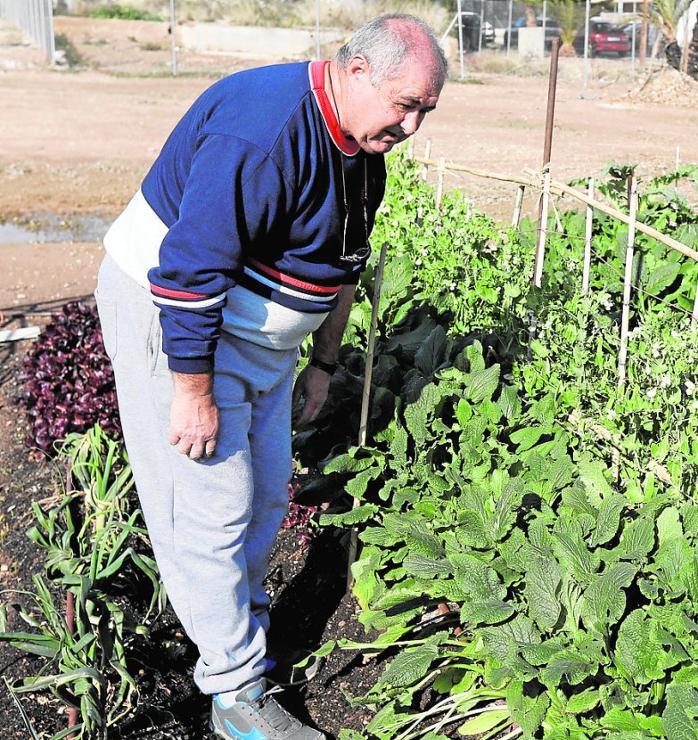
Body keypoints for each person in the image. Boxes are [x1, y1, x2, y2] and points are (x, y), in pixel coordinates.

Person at [93, 14, 446, 739]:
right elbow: (188, 275)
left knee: (263, 495)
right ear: (354, 72)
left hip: (261, 346)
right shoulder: (263, 133)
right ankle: (234, 695)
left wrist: (320, 362)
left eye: (426, 111)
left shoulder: (362, 148)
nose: (412, 126)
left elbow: (344, 264)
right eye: (404, 103)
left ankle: (240, 645)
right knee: (212, 504)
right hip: (187, 324)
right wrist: (191, 392)